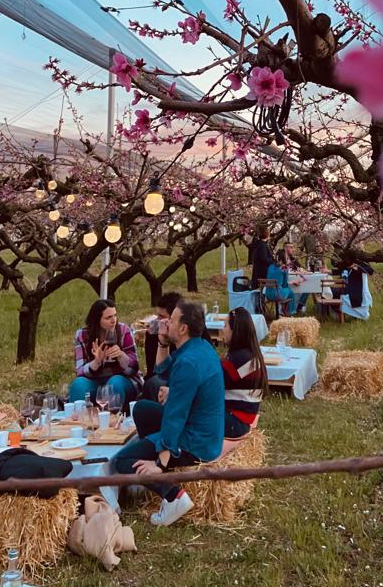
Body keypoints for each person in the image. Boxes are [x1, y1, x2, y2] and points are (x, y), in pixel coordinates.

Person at [111, 300, 224, 527]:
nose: (165, 322)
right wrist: (162, 341)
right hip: (203, 428)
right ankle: (148, 468)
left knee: (121, 460)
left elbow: (175, 415)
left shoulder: (188, 364)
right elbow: (160, 370)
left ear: (183, 328)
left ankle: (173, 496)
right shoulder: (200, 347)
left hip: (196, 440)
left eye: (171, 320)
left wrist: (160, 462)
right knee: (142, 409)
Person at [70, 299, 141, 408]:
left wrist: (121, 355)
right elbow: (80, 371)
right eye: (108, 318)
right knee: (78, 385)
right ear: (97, 320)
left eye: (115, 315)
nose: (114, 320)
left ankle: (112, 419)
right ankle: (78, 421)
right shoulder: (83, 335)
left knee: (114, 384)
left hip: (122, 380)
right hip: (96, 381)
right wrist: (96, 362)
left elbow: (134, 369)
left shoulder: (123, 330)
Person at [220, 308, 266, 438]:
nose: (223, 330)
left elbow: (212, 383)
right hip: (238, 419)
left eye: (225, 326)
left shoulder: (239, 359)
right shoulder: (247, 355)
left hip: (235, 421)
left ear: (235, 330)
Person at [142, 291, 181, 403]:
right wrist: (162, 342)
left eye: (162, 317)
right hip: (162, 377)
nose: (157, 321)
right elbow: (153, 371)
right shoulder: (153, 333)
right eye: (157, 316)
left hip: (184, 378)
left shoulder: (192, 333)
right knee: (154, 383)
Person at [250, 224, 275, 289]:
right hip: (262, 274)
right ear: (266, 233)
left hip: (259, 272)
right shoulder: (262, 245)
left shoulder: (259, 243)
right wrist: (273, 259)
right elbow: (264, 259)